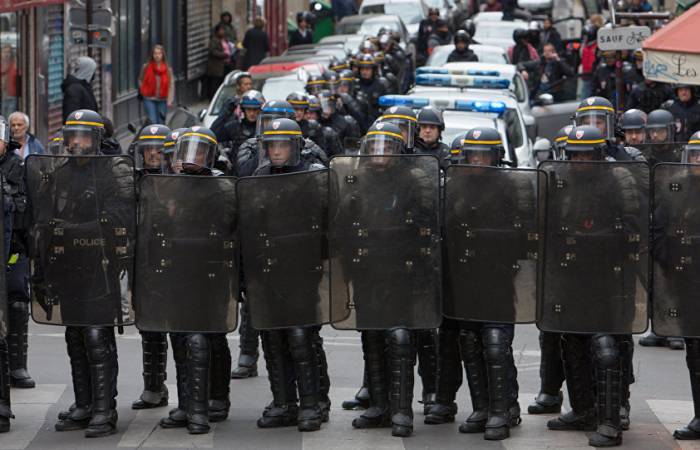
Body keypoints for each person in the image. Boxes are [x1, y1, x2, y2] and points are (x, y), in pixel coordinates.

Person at [545, 125, 641, 447]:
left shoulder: (619, 180)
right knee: (571, 342)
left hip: (607, 275)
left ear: (600, 153)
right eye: (576, 155)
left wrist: (594, 242)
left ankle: (611, 420)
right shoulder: (561, 181)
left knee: (606, 347)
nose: (581, 160)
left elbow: (632, 231)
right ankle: (583, 409)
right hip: (571, 274)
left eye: (587, 154)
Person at [43, 110, 131, 438]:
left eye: (83, 137)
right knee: (75, 336)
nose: (77, 143)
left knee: (97, 336)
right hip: (70, 267)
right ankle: (84, 403)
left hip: (101, 265)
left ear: (95, 139)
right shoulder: (62, 174)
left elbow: (120, 216)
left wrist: (77, 229)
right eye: (72, 137)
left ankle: (104, 409)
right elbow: (49, 215)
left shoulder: (110, 171)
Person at [245, 118, 327, 431]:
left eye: (282, 145)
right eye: (272, 145)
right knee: (272, 336)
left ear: (294, 147)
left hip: (302, 271)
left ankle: (310, 404)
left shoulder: (312, 177)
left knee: (300, 337)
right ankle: (283, 402)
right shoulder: (259, 175)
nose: (277, 151)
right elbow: (251, 225)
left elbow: (327, 223)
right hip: (269, 271)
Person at [154, 126, 232, 434]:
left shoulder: (220, 187)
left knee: (207, 338)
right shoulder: (169, 185)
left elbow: (226, 232)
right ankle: (187, 403)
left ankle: (213, 401)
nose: (190, 159)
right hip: (177, 273)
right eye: (186, 151)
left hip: (208, 274)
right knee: (180, 339)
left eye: (198, 152)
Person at [129, 124, 171, 410]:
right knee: (149, 327)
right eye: (148, 149)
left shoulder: (179, 177)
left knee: (182, 332)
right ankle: (153, 387)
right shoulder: (131, 180)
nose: (153, 154)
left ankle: (194, 396)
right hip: (143, 261)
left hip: (176, 261)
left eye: (159, 149)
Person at [670, 132, 700, 441]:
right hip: (690, 281)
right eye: (695, 155)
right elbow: (664, 230)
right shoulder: (678, 190)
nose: (699, 161)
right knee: (695, 352)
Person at [139, 45, 175, 125]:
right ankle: (153, 137)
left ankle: (161, 137)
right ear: (152, 55)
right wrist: (143, 90)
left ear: (162, 55)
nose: (157, 56)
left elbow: (171, 85)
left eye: (159, 53)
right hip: (149, 98)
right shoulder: (146, 67)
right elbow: (140, 79)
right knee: (153, 121)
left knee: (161, 122)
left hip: (163, 99)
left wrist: (170, 100)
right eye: (155, 53)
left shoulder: (168, 69)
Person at [62, 56, 98, 121]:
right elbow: (71, 115)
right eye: (93, 71)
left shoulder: (85, 87)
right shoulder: (75, 90)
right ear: (87, 71)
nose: (94, 74)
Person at [207, 25, 235, 99]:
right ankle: (214, 98)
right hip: (217, 66)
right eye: (221, 30)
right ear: (217, 32)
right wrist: (224, 55)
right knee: (215, 84)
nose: (223, 32)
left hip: (226, 65)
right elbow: (213, 51)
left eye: (223, 30)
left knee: (224, 82)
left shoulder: (225, 40)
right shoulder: (214, 40)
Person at [1, 46, 18, 117]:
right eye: (4, 52)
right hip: (2, 97)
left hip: (12, 96)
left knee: (9, 117)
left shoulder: (15, 64)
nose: (6, 54)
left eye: (8, 52)